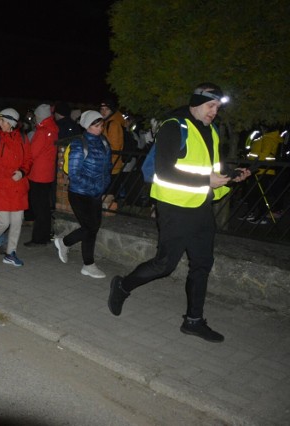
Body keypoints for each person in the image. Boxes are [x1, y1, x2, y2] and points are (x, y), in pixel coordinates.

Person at [107, 83, 251, 342]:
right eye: (211, 106)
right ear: (196, 103)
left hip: (201, 206)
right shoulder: (174, 126)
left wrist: (230, 176)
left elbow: (208, 167)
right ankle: (123, 285)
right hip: (174, 207)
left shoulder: (212, 130)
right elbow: (165, 171)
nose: (214, 112)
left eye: (217, 107)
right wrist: (206, 182)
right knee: (165, 264)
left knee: (202, 264)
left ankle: (193, 321)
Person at [54, 110, 111, 278]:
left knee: (93, 227)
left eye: (101, 125)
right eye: (96, 125)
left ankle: (77, 255)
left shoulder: (103, 142)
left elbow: (107, 167)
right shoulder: (79, 144)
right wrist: (94, 186)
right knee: (90, 227)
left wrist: (104, 184)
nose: (100, 128)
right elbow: (74, 173)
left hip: (95, 193)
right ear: (87, 126)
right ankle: (86, 261)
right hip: (79, 193)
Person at [0, 108, 31, 267]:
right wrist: (10, 173)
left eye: (3, 120)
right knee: (3, 222)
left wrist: (22, 172)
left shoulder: (23, 138)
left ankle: (11, 253)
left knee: (17, 221)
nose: (0, 123)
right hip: (2, 186)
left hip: (18, 186)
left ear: (10, 123)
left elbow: (28, 159)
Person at [24, 103, 59, 246]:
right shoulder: (53, 128)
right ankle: (44, 236)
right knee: (44, 206)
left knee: (39, 207)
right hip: (47, 173)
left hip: (38, 174)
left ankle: (39, 239)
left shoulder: (42, 130)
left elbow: (33, 152)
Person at [100, 98, 126, 214]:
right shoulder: (107, 122)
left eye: (107, 109)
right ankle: (107, 214)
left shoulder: (113, 124)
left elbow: (115, 148)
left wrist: (108, 165)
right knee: (107, 194)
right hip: (110, 165)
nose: (103, 111)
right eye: (102, 109)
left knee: (109, 195)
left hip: (112, 167)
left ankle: (109, 216)